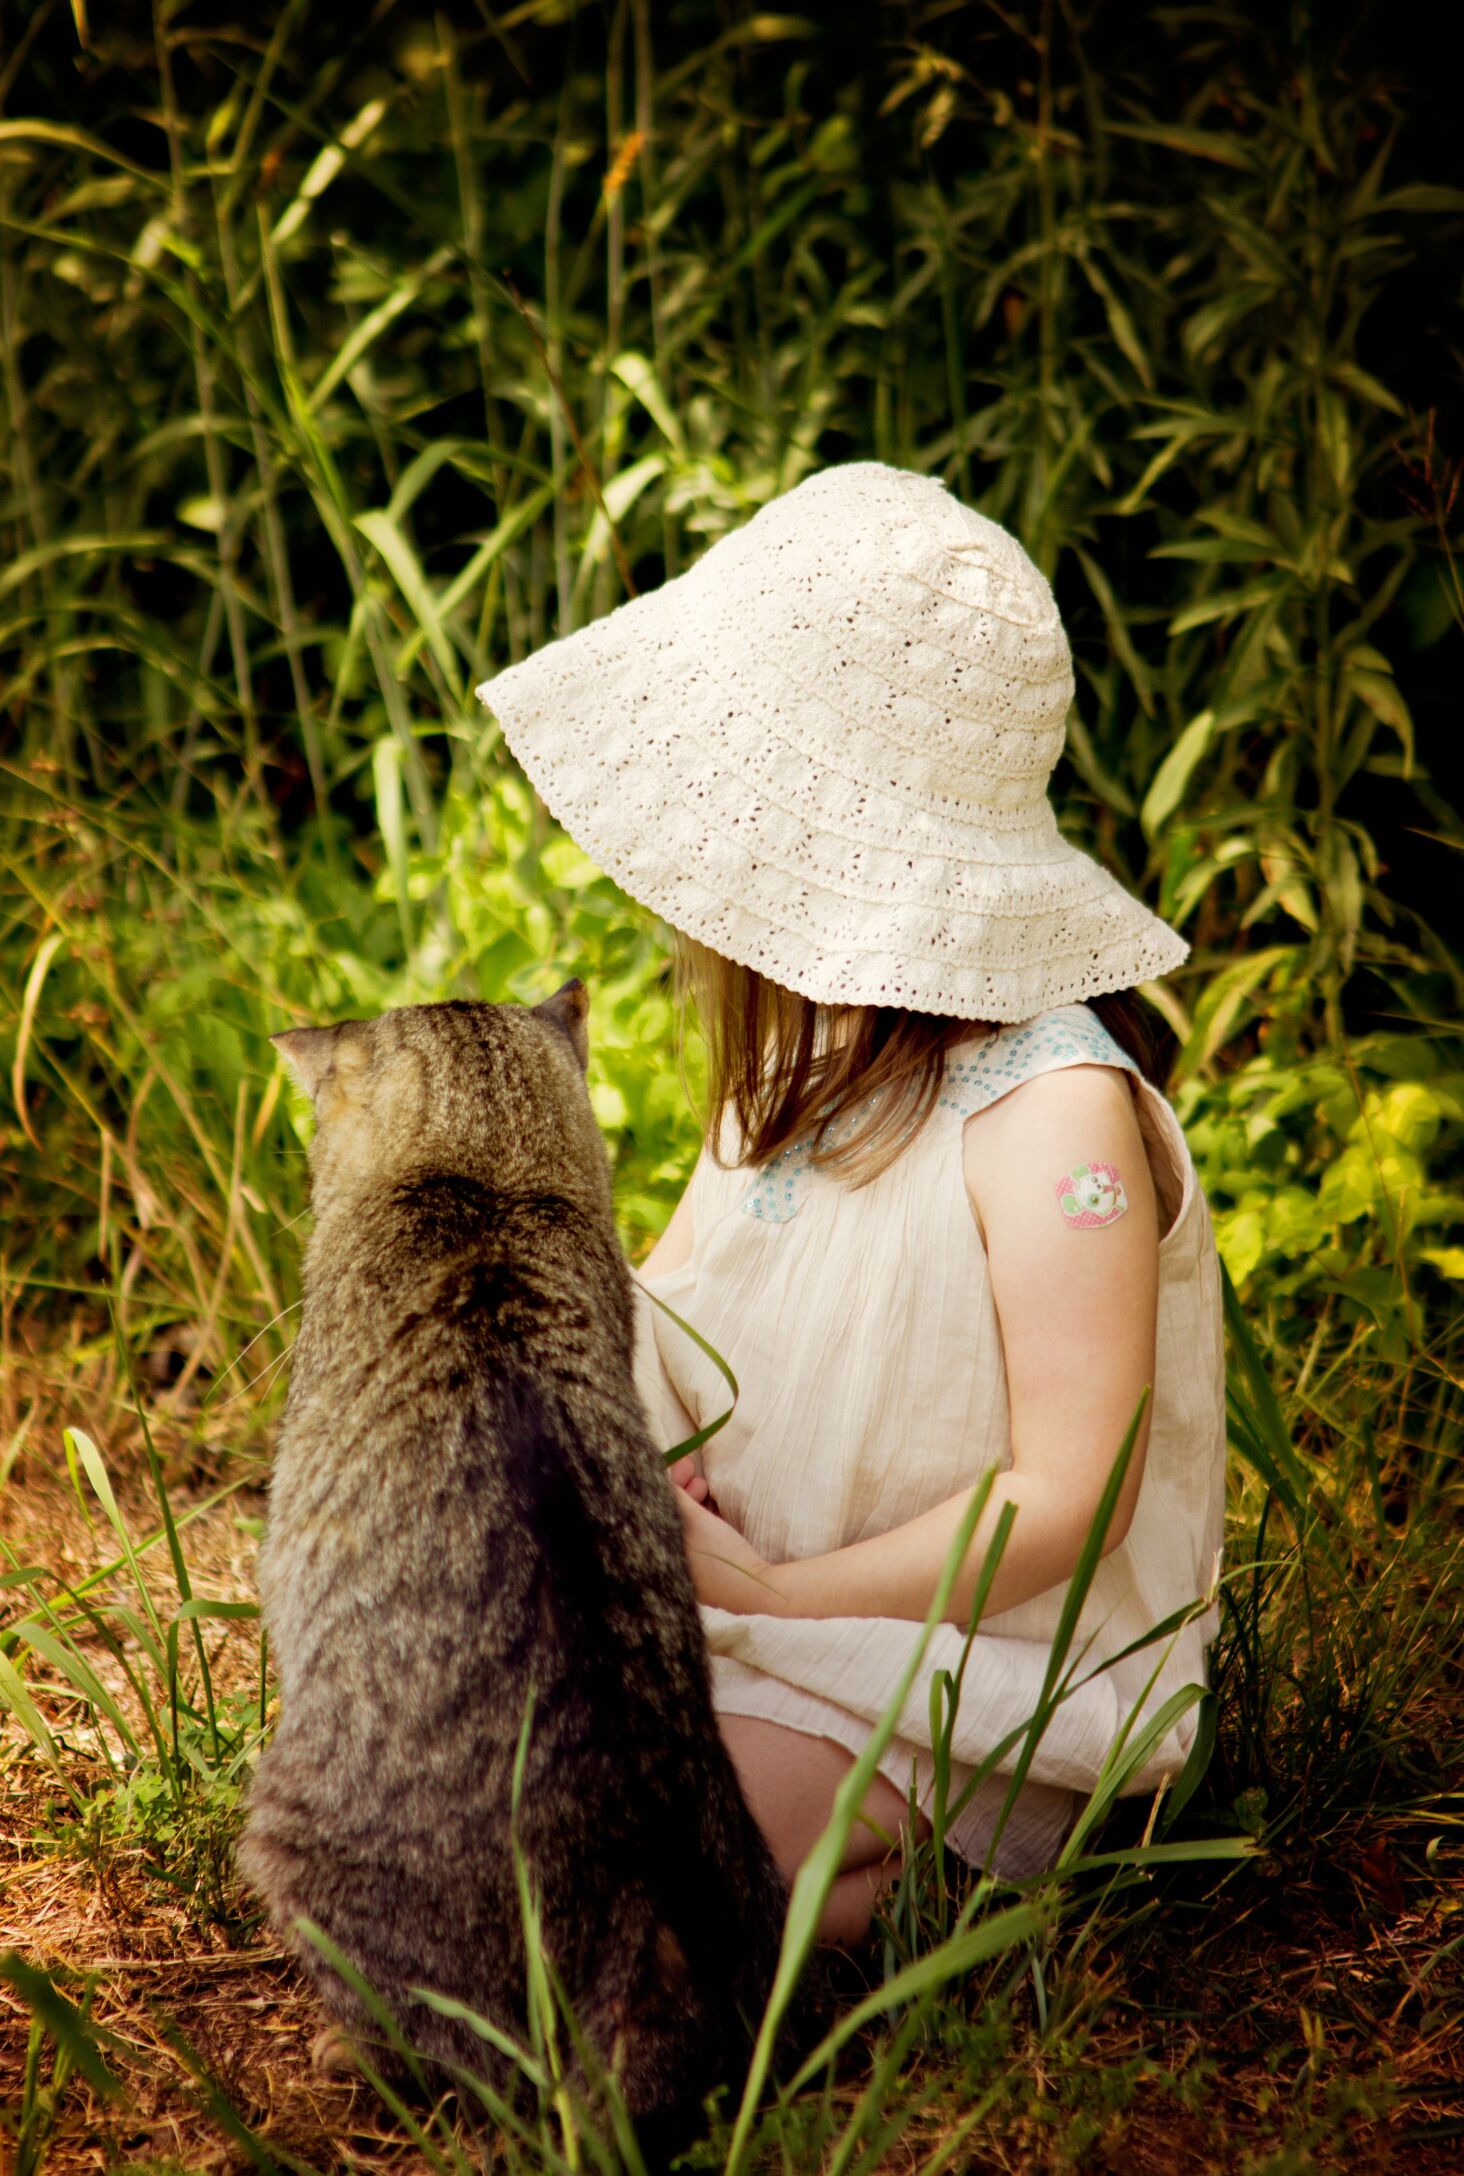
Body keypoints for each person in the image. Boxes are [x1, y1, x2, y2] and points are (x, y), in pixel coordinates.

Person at [475, 462, 1226, 1946]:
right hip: (745, 1600)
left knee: (607, 1884)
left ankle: (909, 1856)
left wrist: (787, 1593)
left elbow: (1071, 1491)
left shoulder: (1057, 1121)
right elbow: (683, 1310)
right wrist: (647, 1471)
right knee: (464, 1797)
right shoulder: (806, 1065)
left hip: (950, 1664)